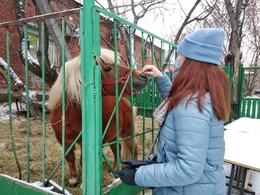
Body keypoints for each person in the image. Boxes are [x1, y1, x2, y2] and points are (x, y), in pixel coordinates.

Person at [116, 28, 230, 195]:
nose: (178, 60)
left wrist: (139, 175)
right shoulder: (202, 95)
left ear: (192, 61)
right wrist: (161, 78)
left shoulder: (191, 106)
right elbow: (178, 102)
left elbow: (188, 170)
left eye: (181, 55)